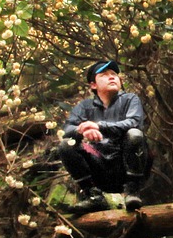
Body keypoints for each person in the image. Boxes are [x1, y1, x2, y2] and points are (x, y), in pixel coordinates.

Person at [57, 60, 150, 213]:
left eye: (114, 74)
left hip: (126, 162)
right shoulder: (84, 106)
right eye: (105, 75)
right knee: (67, 144)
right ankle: (93, 195)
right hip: (99, 163)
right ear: (93, 85)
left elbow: (134, 122)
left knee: (134, 134)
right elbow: (67, 129)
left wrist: (98, 126)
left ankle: (132, 192)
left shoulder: (130, 99)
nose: (112, 77)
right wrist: (82, 131)